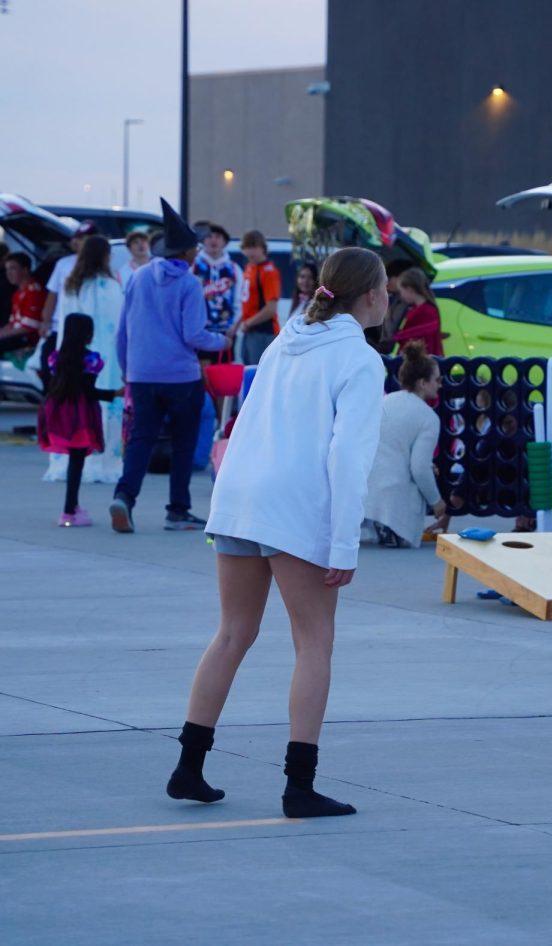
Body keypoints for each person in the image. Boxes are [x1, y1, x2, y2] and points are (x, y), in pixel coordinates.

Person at [167, 247, 388, 819]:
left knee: (232, 634)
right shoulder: (359, 360)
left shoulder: (284, 340)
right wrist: (344, 542)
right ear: (370, 296)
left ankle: (188, 768)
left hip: (241, 497)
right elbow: (348, 458)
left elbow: (247, 420)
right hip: (295, 506)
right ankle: (299, 786)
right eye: (385, 288)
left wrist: (224, 503)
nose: (388, 297)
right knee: (315, 642)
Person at [109, 199, 230, 534]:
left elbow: (123, 330)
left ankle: (124, 496)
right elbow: (193, 335)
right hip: (180, 377)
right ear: (188, 252)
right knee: (183, 441)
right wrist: (222, 341)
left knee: (141, 438)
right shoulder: (189, 284)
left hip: (141, 373)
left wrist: (127, 369)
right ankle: (177, 510)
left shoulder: (139, 276)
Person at [53, 235, 125, 483]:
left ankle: (71, 459)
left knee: (75, 408)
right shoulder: (111, 286)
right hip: (104, 361)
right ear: (105, 256)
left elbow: (64, 322)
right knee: (104, 406)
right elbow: (118, 326)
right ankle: (103, 458)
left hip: (73, 356)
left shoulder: (72, 285)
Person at [364, 340, 448, 548]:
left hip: (365, 497)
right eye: (437, 380)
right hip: (394, 503)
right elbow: (419, 468)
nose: (440, 384)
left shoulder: (385, 401)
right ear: (422, 383)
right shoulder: (428, 418)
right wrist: (437, 502)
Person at [37, 314, 118, 526]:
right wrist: (115, 393)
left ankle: (71, 507)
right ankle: (69, 510)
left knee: (74, 460)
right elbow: (89, 391)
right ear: (86, 334)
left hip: (57, 411)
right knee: (77, 461)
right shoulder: (91, 360)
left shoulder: (56, 358)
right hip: (81, 414)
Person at [39, 220, 98, 342]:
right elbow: (53, 294)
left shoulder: (100, 267)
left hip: (88, 329)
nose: (77, 242)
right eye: (77, 237)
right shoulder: (63, 264)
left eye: (83, 238)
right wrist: (46, 321)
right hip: (60, 326)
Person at [236, 229, 281, 365]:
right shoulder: (249, 268)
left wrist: (248, 323)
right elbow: (247, 304)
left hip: (264, 332)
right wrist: (237, 326)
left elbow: (271, 308)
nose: (251, 251)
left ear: (263, 248)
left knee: (259, 373)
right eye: (247, 247)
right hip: (249, 331)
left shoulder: (269, 271)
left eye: (254, 247)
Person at [192, 222, 242, 342]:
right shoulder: (194, 266)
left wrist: (234, 326)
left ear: (224, 242)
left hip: (227, 332)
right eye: (209, 236)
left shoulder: (234, 268)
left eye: (218, 237)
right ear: (203, 241)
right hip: (201, 331)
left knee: (225, 362)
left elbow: (239, 301)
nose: (213, 240)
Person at [388, 268, 443, 356]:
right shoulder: (428, 308)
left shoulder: (423, 311)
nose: (401, 295)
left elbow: (410, 338)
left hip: (420, 361)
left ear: (409, 289)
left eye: (401, 291)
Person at [0, 252, 46, 356]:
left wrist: (3, 334)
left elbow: (28, 327)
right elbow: (12, 323)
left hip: (29, 339)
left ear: (25, 270)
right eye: (7, 269)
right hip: (17, 336)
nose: (8, 273)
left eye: (13, 269)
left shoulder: (34, 291)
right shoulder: (17, 293)